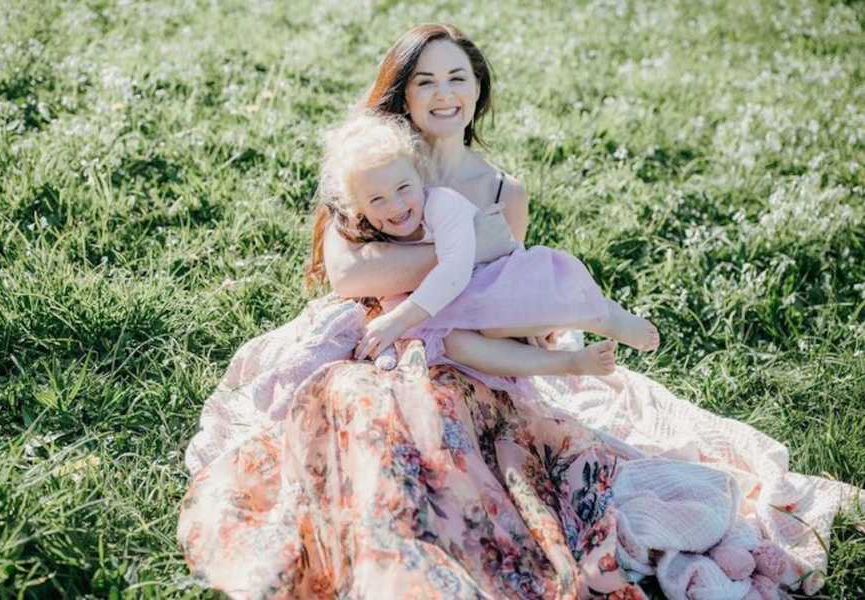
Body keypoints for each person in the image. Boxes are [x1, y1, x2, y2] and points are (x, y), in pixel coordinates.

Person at [178, 24, 861, 600]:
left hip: (470, 344)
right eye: (426, 82)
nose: (444, 94)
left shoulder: (503, 189)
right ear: (402, 93)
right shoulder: (373, 166)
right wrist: (470, 247)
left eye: (458, 79)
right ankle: (391, 545)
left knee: (456, 414)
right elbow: (349, 272)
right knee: (366, 409)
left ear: (478, 90)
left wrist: (470, 266)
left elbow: (506, 291)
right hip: (375, 335)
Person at [315, 110, 658, 380]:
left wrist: (399, 320)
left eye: (403, 188)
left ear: (420, 177)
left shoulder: (442, 204)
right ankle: (569, 363)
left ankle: (600, 315)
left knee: (500, 318)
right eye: (377, 199)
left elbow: (454, 270)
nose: (395, 205)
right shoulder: (373, 227)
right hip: (449, 307)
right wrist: (390, 335)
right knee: (455, 343)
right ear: (358, 207)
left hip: (496, 278)